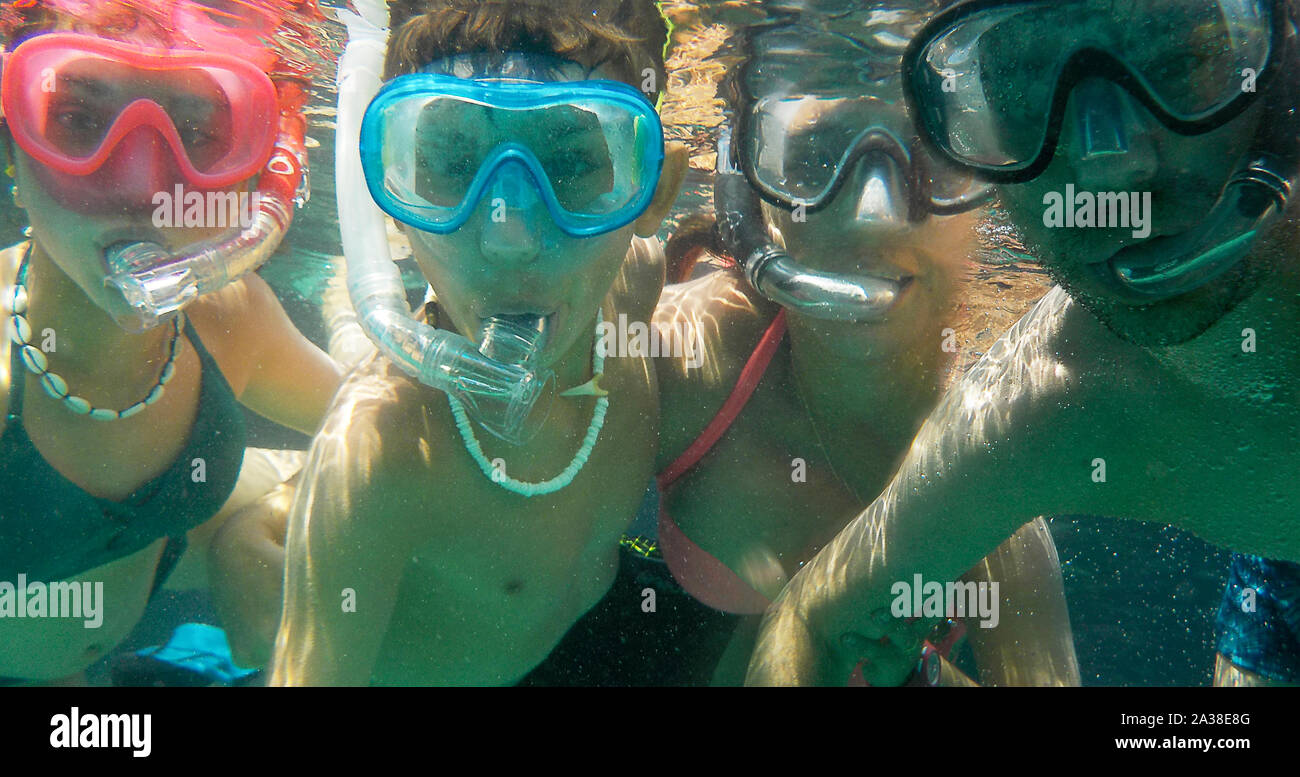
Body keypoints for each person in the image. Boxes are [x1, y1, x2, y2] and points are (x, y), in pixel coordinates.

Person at [746, 0, 1300, 686]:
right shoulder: (1050, 401)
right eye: (1026, 91)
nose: (1111, 163)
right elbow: (812, 620)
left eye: (1178, 61)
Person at [650, 6, 1078, 686]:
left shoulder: (996, 474)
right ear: (752, 187)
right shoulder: (686, 360)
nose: (874, 215)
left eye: (935, 160)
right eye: (816, 159)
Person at [270, 0, 689, 685]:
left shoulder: (634, 286)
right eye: (453, 160)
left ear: (652, 192)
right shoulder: (377, 460)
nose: (509, 238)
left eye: (574, 160)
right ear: (389, 197)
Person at [0, 0, 341, 684]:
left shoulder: (229, 320)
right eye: (78, 121)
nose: (144, 187)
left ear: (258, 168)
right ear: (12, 143)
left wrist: (262, 526)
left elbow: (381, 426)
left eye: (197, 129)